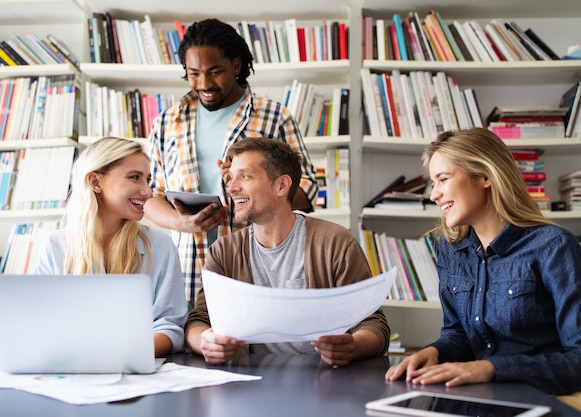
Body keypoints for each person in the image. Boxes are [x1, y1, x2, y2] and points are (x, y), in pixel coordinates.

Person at [385, 128, 581, 416]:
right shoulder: (451, 249)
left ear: (485, 176)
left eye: (443, 179)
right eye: (432, 183)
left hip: (560, 396)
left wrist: (490, 368)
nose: (434, 194)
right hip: (492, 398)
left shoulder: (554, 246)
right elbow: (458, 334)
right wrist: (434, 352)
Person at [144, 18, 318, 304]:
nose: (204, 84)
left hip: (257, 263)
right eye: (194, 73)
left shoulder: (274, 117)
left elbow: (308, 189)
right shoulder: (166, 122)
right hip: (189, 269)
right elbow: (151, 196)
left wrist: (255, 186)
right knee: (194, 342)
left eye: (215, 72)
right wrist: (181, 222)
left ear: (236, 66)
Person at [185, 138, 389, 367]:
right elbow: (198, 320)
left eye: (245, 176)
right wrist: (205, 341)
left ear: (282, 185)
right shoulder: (223, 252)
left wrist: (352, 346)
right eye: (230, 177)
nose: (231, 187)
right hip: (247, 384)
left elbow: (373, 324)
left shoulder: (335, 242)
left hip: (324, 384)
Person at [34, 137, 188, 357]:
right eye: (135, 178)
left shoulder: (161, 246)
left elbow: (169, 328)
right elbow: (42, 324)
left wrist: (118, 354)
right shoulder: (56, 246)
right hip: (72, 371)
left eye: (147, 180)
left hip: (138, 369)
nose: (147, 191)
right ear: (95, 182)